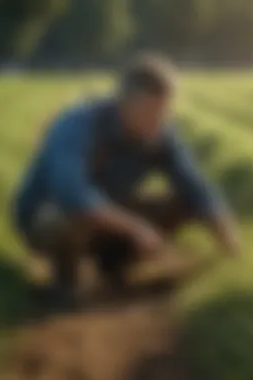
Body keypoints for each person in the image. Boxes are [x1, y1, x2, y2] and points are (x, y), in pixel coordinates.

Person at [13, 54, 241, 301]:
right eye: (150, 112)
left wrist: (230, 244)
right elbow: (72, 194)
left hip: (108, 210)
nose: (159, 121)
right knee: (70, 214)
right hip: (46, 215)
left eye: (164, 112)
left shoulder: (161, 133)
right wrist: (136, 229)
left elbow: (195, 187)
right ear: (125, 104)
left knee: (183, 203)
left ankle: (113, 262)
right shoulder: (78, 123)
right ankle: (65, 281)